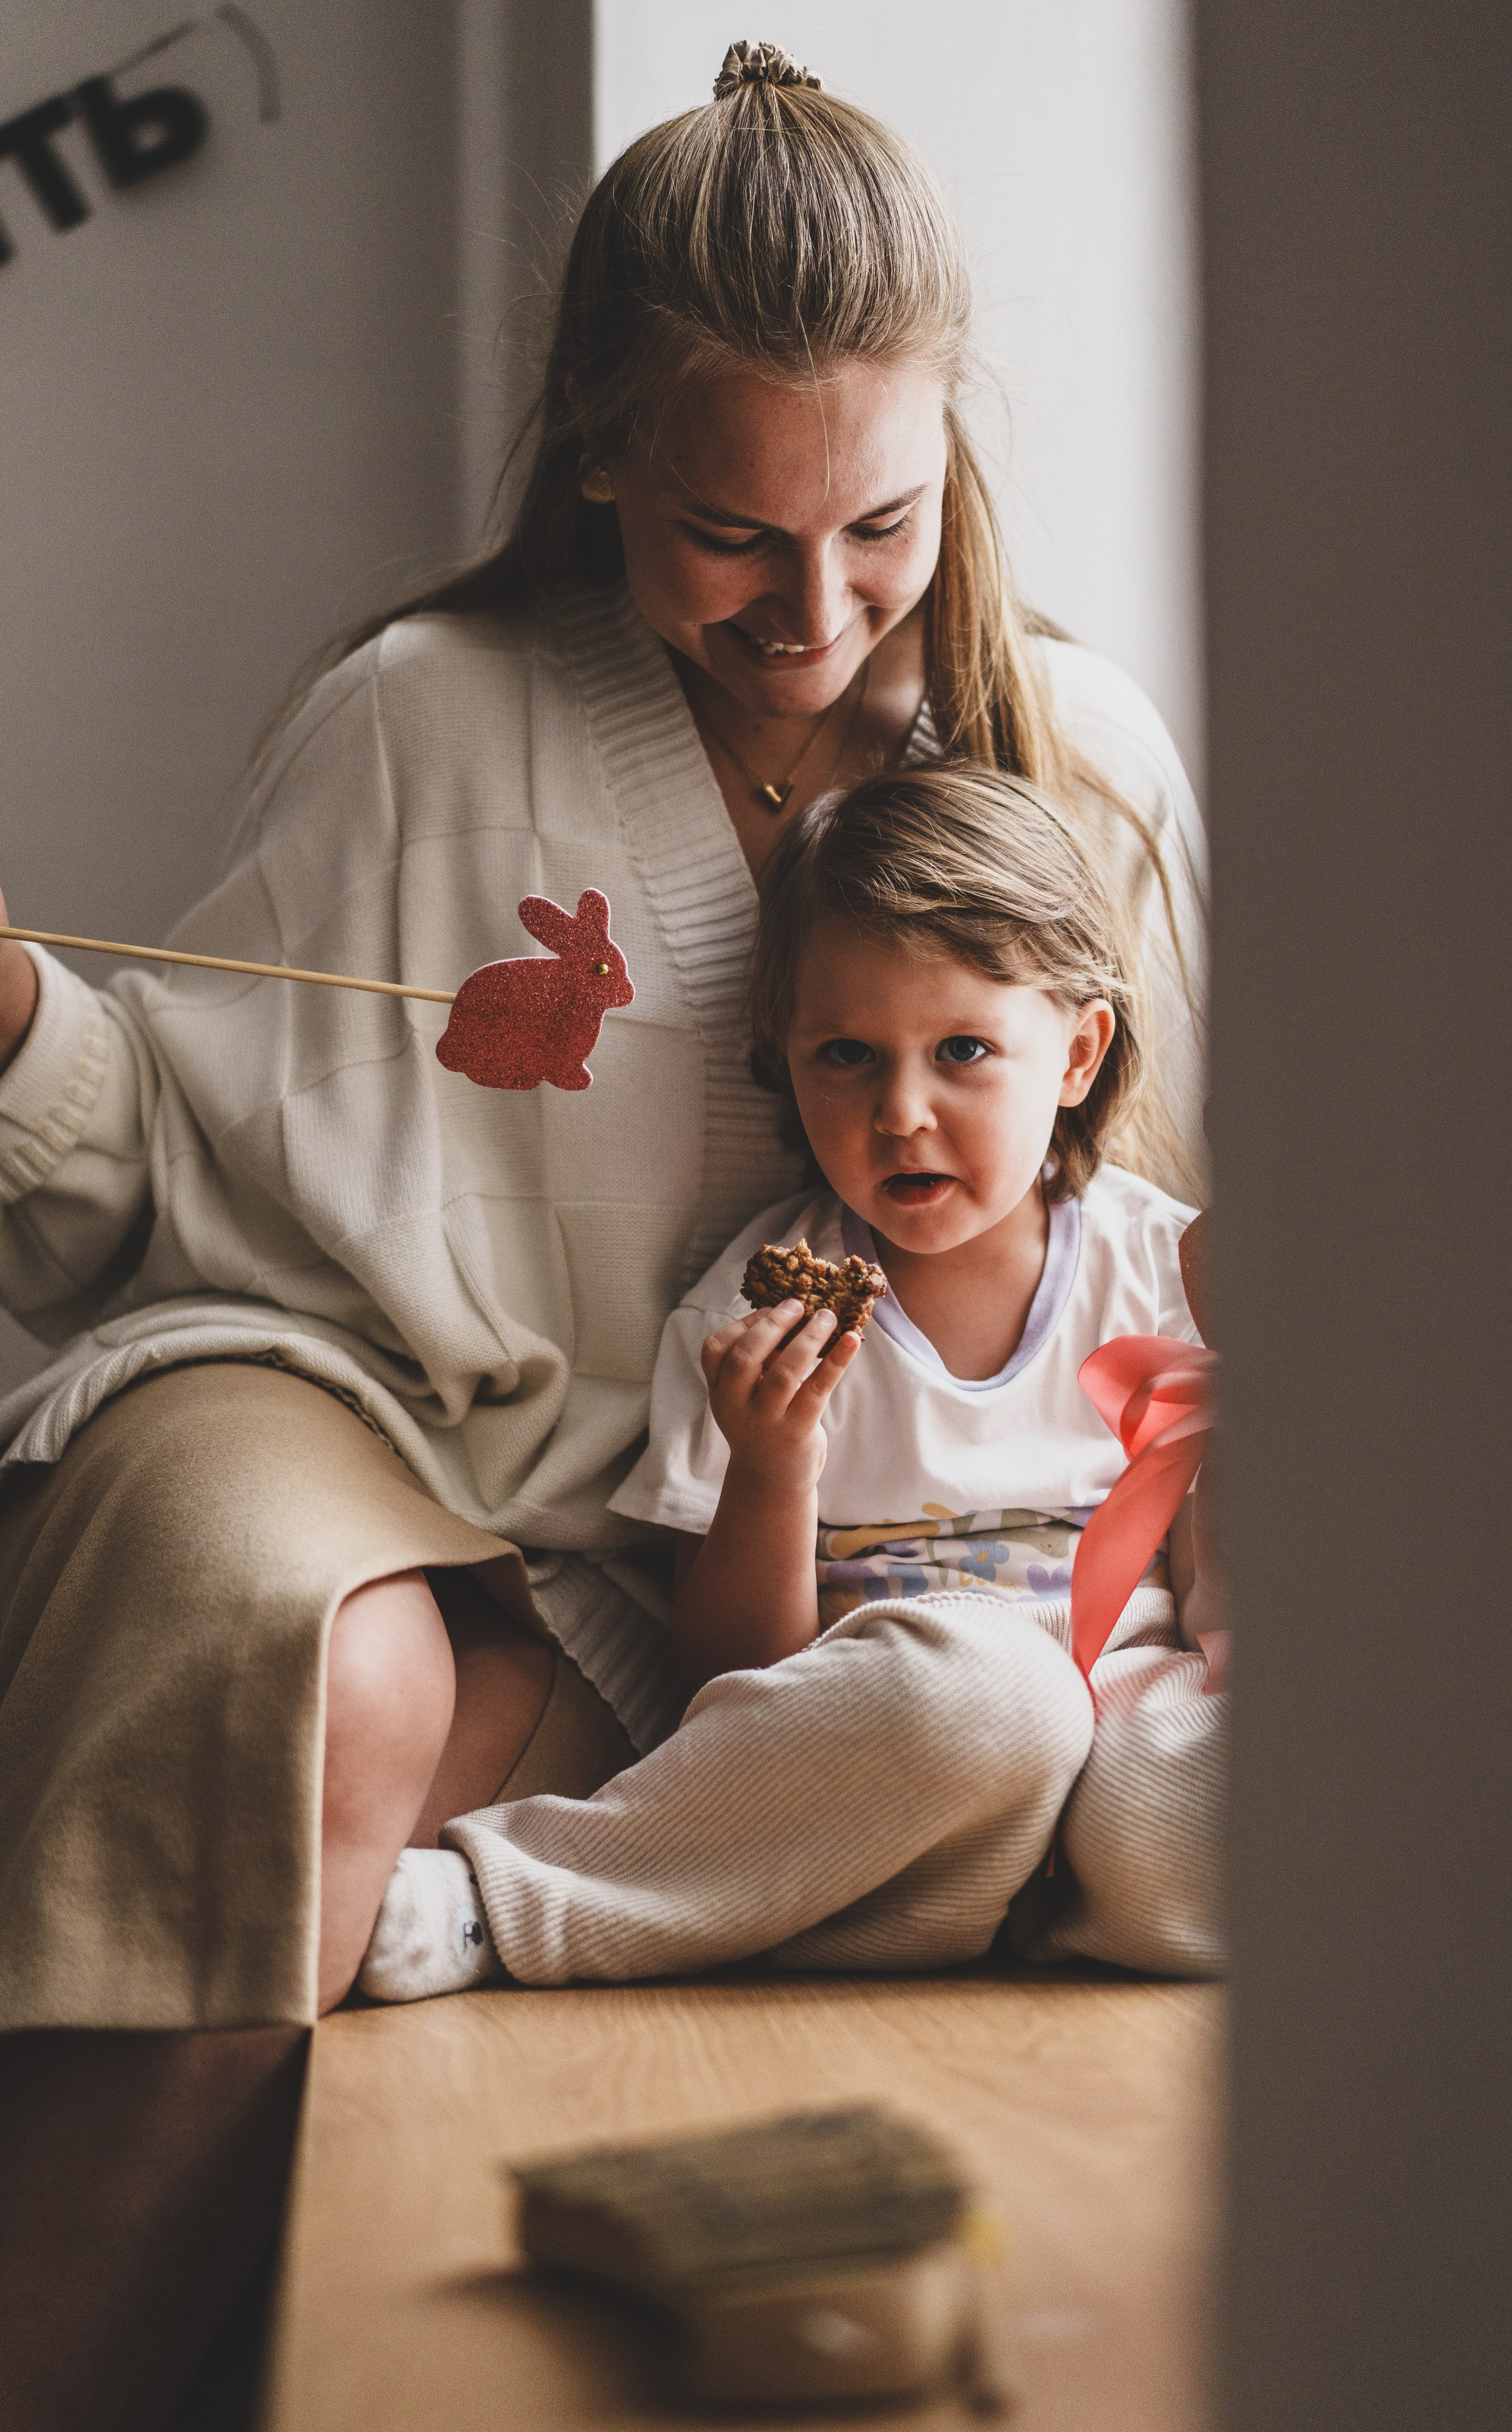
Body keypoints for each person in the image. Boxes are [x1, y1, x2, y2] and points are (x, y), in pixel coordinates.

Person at [0, 40, 1207, 2431]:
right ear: (594, 450)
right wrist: (19, 1010)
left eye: (879, 524)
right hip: (407, 1431)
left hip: (847, 1553)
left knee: (1014, 1711)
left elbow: (1215, 1243)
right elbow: (161, 1144)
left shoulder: (1078, 749)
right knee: (288, 1672)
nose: (814, 607)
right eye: (729, 532)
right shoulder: (421, 720)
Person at [358, 765, 1224, 2003]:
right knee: (996, 1702)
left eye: (964, 1050)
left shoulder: (1161, 1268)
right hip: (902, 1730)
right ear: (784, 1061)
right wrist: (770, 1469)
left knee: (1195, 1793)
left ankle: (981, 1905)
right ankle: (512, 1900)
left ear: (1077, 1053)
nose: (902, 1111)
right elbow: (727, 1681)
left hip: (1113, 1730)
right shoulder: (757, 1315)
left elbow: (1216, 1573)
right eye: (847, 1057)